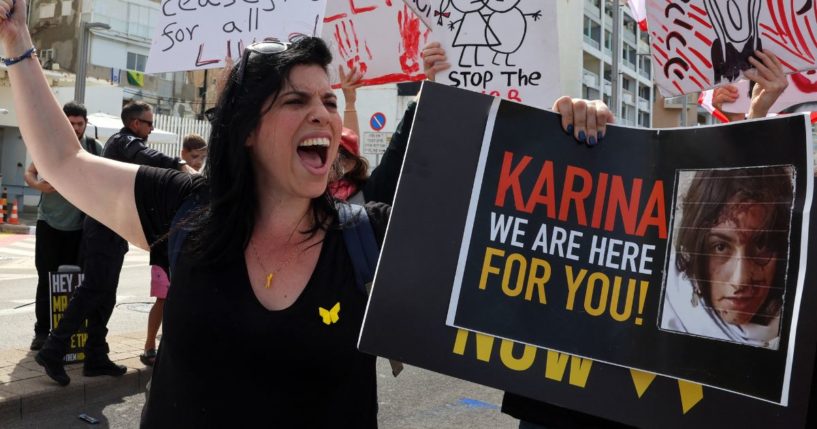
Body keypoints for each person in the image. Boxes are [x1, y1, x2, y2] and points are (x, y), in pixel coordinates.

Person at [0, 1, 610, 425]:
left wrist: (573, 145)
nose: (323, 114)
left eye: (327, 99)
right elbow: (62, 160)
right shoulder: (185, 209)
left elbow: (534, 246)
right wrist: (18, 41)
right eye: (296, 100)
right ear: (245, 130)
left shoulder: (371, 236)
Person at [33, 99, 194, 386]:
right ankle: (53, 350)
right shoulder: (124, 141)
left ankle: (96, 356)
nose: (152, 127)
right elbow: (146, 156)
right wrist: (178, 163)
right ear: (134, 123)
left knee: (105, 295)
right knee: (92, 289)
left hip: (115, 226)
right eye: (148, 122)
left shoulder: (125, 144)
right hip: (104, 225)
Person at [660, 166, 792, 348]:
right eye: (720, 247)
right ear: (695, 248)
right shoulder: (661, 308)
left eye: (761, 245)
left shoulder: (794, 329)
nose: (740, 281)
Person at [23, 101, 103, 351]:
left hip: (80, 227)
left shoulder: (94, 147)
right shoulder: (49, 145)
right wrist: (40, 186)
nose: (76, 128)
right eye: (71, 123)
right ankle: (41, 332)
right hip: (49, 222)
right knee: (46, 279)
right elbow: (30, 173)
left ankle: (67, 331)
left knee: (74, 281)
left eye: (79, 123)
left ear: (86, 124)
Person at [142, 133, 207, 366]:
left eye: (202, 157)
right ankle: (150, 344)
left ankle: (173, 346)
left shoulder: (200, 181)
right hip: (162, 249)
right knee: (163, 299)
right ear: (183, 154)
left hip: (185, 250)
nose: (198, 162)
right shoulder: (171, 175)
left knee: (182, 300)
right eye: (194, 156)